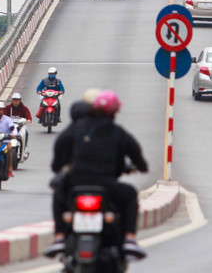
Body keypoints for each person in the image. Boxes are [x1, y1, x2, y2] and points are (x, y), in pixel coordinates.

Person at [46, 90, 149, 260]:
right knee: (130, 194)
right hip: (106, 186)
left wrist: (57, 166)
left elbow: (60, 147)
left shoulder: (76, 127)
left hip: (76, 183)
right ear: (115, 112)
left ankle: (59, 237)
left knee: (58, 193)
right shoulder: (118, 132)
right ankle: (130, 239)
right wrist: (142, 166)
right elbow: (136, 153)